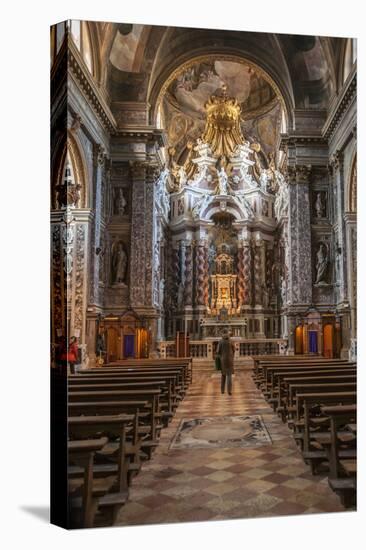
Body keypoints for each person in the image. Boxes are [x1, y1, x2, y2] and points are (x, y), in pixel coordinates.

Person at [216, 329, 235, 395]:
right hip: (230, 359)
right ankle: (229, 391)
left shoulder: (220, 341)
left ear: (222, 334)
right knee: (229, 375)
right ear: (227, 333)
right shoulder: (231, 341)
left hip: (223, 360)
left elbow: (218, 351)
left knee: (223, 375)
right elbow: (234, 350)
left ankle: (222, 390)